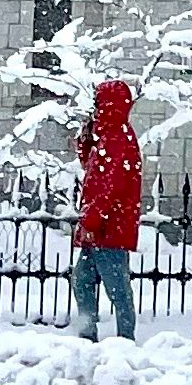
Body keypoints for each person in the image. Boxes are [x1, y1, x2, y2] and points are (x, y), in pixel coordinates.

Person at [71, 79, 141, 341]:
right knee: (85, 280)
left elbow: (108, 186)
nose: (96, 108)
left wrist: (91, 220)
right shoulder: (111, 135)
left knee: (115, 286)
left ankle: (124, 339)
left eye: (99, 102)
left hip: (108, 227)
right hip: (103, 226)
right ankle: (89, 334)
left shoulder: (116, 137)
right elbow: (93, 170)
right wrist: (85, 142)